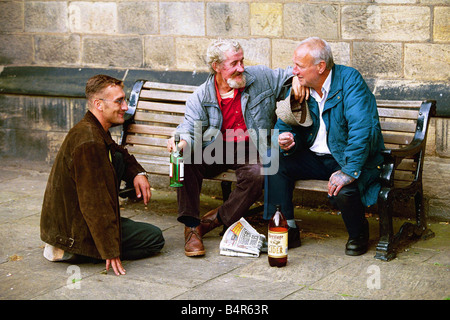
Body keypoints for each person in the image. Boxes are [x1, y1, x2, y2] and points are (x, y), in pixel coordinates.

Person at [167, 39, 302, 257]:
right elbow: (190, 127)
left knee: (258, 174)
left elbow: (289, 73)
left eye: (242, 61)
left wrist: (296, 79)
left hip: (251, 146)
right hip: (215, 146)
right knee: (184, 159)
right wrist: (181, 141)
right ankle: (191, 227)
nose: (241, 68)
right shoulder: (201, 96)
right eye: (234, 63)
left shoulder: (260, 78)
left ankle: (213, 221)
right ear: (217, 67)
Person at [265, 37, 385, 256]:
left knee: (345, 188)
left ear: (320, 67)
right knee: (273, 159)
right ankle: (287, 229)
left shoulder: (349, 81)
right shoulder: (301, 86)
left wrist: (348, 171)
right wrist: (287, 139)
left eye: (299, 66)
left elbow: (362, 129)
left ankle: (358, 233)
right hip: (314, 157)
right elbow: (282, 126)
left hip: (345, 158)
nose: (294, 71)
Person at [40, 74, 165, 275]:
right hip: (73, 232)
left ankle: (82, 244)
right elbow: (94, 203)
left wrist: (138, 173)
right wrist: (109, 249)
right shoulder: (89, 142)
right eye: (119, 101)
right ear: (99, 104)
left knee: (115, 158)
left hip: (71, 223)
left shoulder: (94, 128)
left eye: (124, 100)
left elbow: (120, 153)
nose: (125, 107)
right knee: (154, 238)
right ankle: (73, 250)